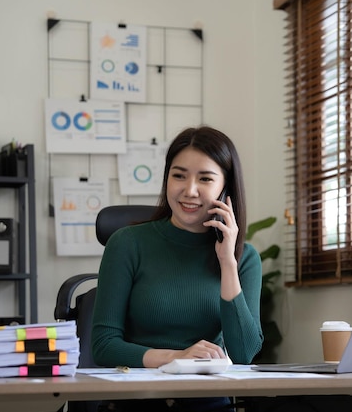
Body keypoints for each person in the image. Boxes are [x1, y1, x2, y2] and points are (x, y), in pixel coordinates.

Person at [91, 126, 264, 412]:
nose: (189, 190)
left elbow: (244, 354)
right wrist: (177, 357)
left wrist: (227, 262)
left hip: (207, 403)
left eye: (205, 178)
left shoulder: (243, 258)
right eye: (179, 175)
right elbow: (104, 345)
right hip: (137, 401)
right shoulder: (127, 244)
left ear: (225, 189)